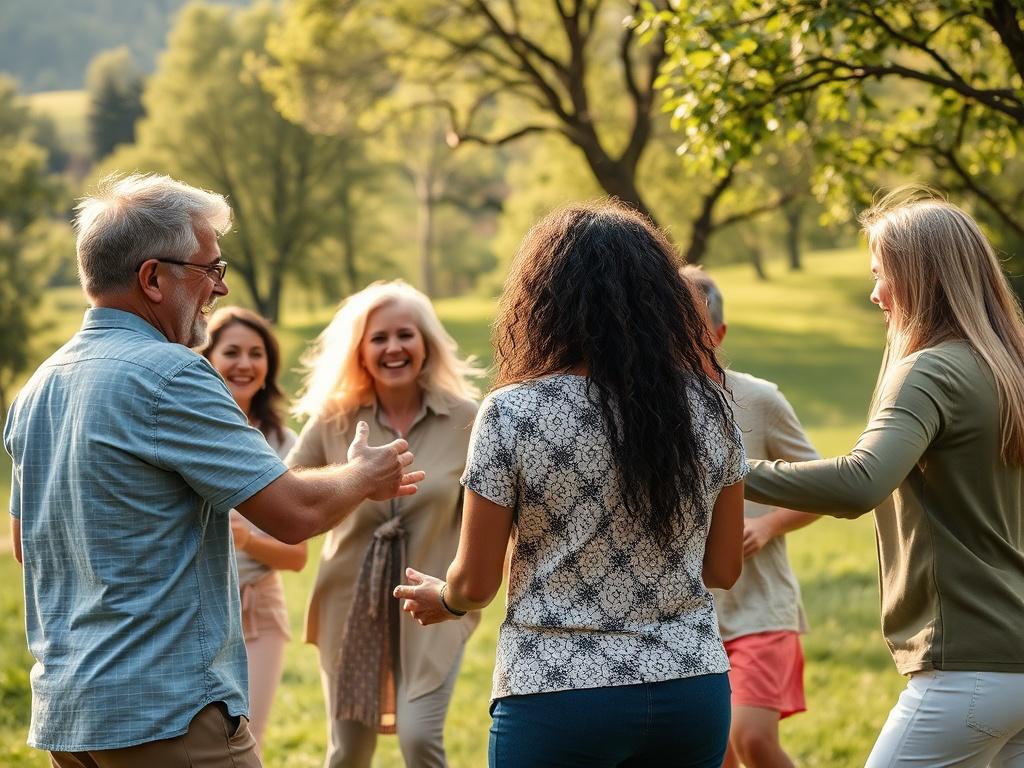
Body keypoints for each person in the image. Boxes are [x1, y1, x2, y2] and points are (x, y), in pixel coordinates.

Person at [2, 173, 423, 768]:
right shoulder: (171, 374)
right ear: (153, 277)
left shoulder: (38, 386)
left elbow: (24, 544)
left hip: (72, 720)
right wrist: (363, 475)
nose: (219, 289)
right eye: (210, 269)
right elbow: (294, 513)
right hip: (168, 716)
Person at [395, 201, 747, 768]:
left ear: (543, 304)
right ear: (660, 299)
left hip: (555, 694)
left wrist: (444, 599)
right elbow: (723, 569)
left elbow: (477, 582)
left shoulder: (513, 413)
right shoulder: (711, 406)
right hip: (691, 688)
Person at [742, 189, 1024, 767]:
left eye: (882, 274)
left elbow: (860, 482)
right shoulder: (1008, 367)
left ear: (922, 277)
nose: (876, 295)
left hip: (967, 668)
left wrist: (720, 469)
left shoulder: (930, 369)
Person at [287, 280, 481, 768]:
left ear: (426, 344)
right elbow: (287, 491)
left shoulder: (468, 419)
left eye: (405, 335)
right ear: (360, 352)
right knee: (349, 749)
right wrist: (352, 478)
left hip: (434, 604)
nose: (393, 348)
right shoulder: (332, 421)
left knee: (419, 739)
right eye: (379, 338)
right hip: (348, 604)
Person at [682, 266, 819, 768]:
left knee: (752, 738)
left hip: (761, 608)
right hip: (689, 618)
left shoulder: (760, 400)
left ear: (719, 335)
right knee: (715, 753)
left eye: (691, 330)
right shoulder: (648, 411)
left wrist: (767, 525)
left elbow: (818, 487)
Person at [198, 306, 306, 750]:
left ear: (268, 368)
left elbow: (297, 556)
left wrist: (246, 539)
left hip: (258, 608)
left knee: (249, 741)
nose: (245, 363)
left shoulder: (282, 444)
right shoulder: (189, 430)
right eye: (232, 352)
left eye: (256, 353)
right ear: (207, 359)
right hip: (194, 608)